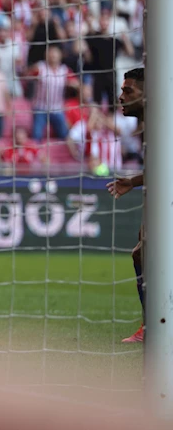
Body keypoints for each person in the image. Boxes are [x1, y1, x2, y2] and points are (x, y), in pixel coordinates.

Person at [106, 67, 145, 343]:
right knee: (141, 254)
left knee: (143, 253)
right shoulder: (148, 125)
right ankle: (154, 325)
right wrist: (134, 181)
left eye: (128, 90)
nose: (121, 96)